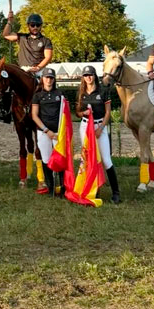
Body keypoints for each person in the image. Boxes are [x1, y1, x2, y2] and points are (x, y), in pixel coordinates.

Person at [75, 65, 120, 204]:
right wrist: (84, 113)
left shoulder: (103, 91)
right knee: (89, 159)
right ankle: (92, 189)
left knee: (106, 160)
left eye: (91, 74)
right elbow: (77, 111)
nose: (88, 77)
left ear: (95, 76)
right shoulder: (81, 92)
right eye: (86, 75)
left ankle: (116, 192)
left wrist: (101, 128)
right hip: (85, 126)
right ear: (83, 77)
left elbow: (108, 112)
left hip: (99, 126)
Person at [31, 68, 66, 197]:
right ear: (42, 79)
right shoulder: (38, 95)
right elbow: (34, 115)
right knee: (46, 159)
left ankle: (63, 187)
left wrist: (60, 130)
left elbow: (65, 112)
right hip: (44, 132)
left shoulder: (60, 94)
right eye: (47, 77)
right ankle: (50, 187)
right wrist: (46, 130)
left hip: (58, 132)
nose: (49, 80)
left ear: (54, 79)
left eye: (51, 77)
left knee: (61, 159)